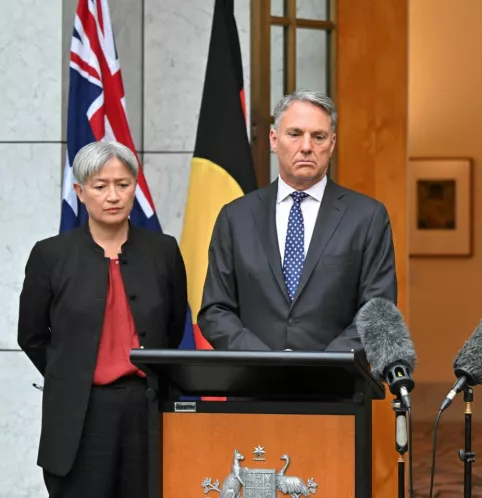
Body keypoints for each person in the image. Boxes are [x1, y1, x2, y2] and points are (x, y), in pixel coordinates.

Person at [18, 140, 188, 498]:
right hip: (80, 415)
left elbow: (173, 327)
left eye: (123, 185)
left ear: (135, 188)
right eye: (100, 186)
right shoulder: (51, 255)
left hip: (146, 407)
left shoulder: (164, 251)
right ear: (80, 192)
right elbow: (31, 335)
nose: (113, 196)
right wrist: (72, 374)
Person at [197, 89, 397, 351]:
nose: (306, 147)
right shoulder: (235, 217)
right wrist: (266, 364)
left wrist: (317, 368)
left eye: (318, 137)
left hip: (333, 385)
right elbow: (215, 309)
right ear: (273, 139)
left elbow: (378, 314)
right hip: (254, 384)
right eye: (294, 134)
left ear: (332, 143)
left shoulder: (367, 217)